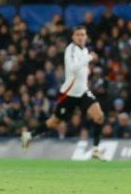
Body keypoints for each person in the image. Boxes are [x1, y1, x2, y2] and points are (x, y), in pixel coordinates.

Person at [21, 26, 106, 160]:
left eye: (83, 35)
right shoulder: (71, 49)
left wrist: (88, 71)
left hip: (83, 92)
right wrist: (89, 58)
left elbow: (82, 70)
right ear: (73, 37)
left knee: (99, 116)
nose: (80, 37)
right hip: (69, 94)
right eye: (77, 35)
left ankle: (95, 149)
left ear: (86, 37)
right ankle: (29, 136)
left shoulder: (84, 51)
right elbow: (73, 67)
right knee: (54, 122)